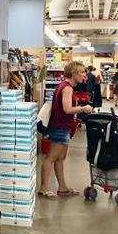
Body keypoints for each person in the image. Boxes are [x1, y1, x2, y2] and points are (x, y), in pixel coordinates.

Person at [39, 61, 93, 198]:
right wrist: (83, 108)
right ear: (74, 73)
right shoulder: (67, 88)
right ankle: (43, 188)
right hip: (60, 127)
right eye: (81, 72)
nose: (84, 75)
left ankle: (62, 187)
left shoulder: (64, 86)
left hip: (63, 127)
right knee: (51, 158)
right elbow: (67, 109)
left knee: (60, 158)